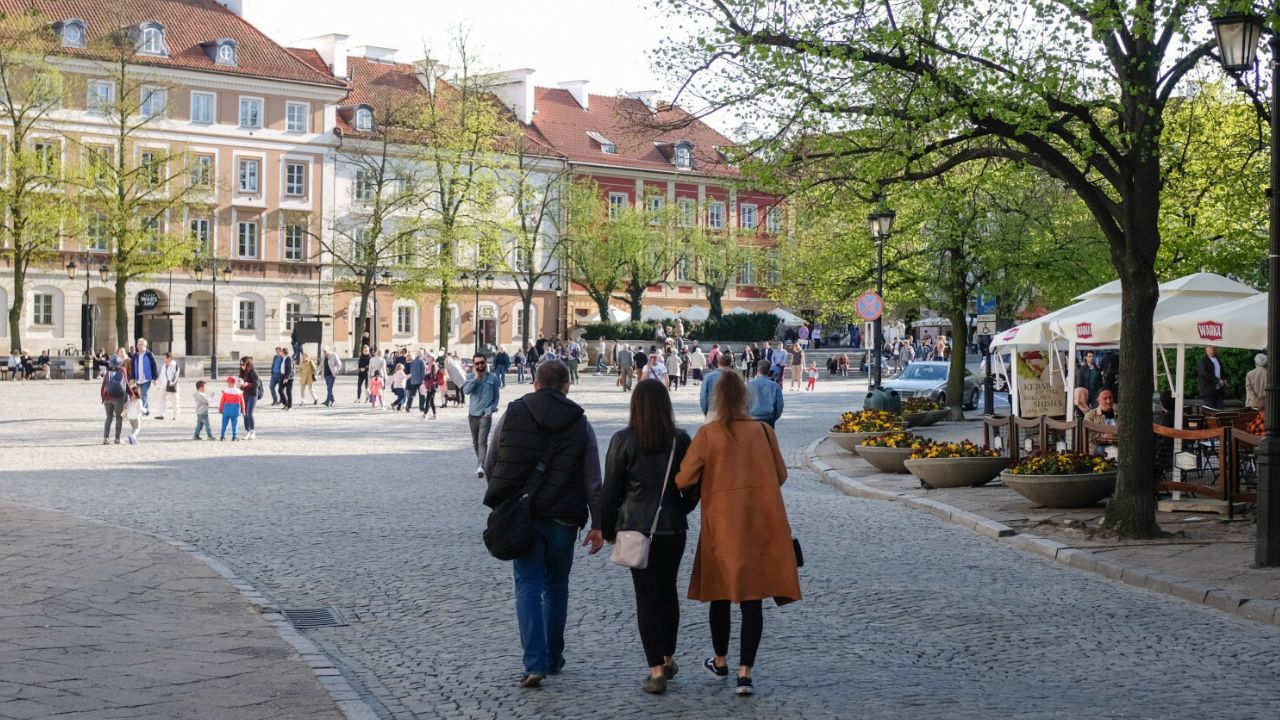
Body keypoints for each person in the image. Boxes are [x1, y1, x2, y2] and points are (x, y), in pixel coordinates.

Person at [674, 369, 800, 697]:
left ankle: (720, 661)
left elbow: (683, 479)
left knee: (718, 594)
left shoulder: (707, 434)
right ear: (746, 397)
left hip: (721, 524)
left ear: (716, 399)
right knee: (752, 598)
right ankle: (746, 674)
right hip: (757, 524)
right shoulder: (763, 432)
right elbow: (781, 475)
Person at [482, 359, 604, 688]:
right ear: (567, 386)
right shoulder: (580, 422)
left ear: (535, 384)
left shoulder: (513, 412)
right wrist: (598, 523)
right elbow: (593, 479)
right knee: (556, 586)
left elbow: (492, 460)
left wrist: (507, 498)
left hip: (524, 515)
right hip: (564, 519)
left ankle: (534, 663)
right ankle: (553, 657)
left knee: (527, 586)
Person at [601, 379, 696, 693]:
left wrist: (609, 528)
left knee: (647, 598)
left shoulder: (623, 440)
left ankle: (656, 670)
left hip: (636, 529)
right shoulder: (680, 440)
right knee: (668, 592)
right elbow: (695, 485)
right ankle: (668, 658)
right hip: (673, 529)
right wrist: (680, 508)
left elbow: (611, 490)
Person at [463, 353, 502, 479]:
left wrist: (492, 408)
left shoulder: (494, 378)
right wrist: (475, 377)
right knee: (475, 442)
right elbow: (466, 391)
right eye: (477, 363)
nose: (480, 365)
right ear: (474, 365)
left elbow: (496, 397)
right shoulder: (470, 376)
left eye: (482, 363)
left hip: (486, 414)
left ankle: (480, 466)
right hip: (473, 413)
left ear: (486, 363)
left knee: (482, 441)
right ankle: (482, 464)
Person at [747, 359, 785, 427]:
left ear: (758, 370)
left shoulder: (749, 385)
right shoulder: (775, 386)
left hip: (752, 418)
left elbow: (744, 404)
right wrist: (774, 418)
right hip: (768, 418)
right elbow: (779, 405)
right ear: (769, 370)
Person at [100, 356, 127, 445]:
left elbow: (103, 386)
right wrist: (132, 395)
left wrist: (103, 398)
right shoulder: (122, 370)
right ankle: (117, 438)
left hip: (107, 398)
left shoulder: (107, 372)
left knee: (109, 418)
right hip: (118, 398)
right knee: (119, 418)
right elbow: (126, 384)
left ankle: (106, 438)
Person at [1084, 388, 1119, 455]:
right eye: (1105, 398)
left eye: (1110, 398)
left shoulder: (1119, 414)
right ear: (1098, 401)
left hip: (1117, 445)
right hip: (1098, 447)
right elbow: (1087, 435)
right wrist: (1103, 436)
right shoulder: (1091, 415)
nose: (1108, 401)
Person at [699, 353, 735, 417]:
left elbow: (703, 397)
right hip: (731, 412)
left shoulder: (708, 377)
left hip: (713, 411)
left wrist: (706, 412)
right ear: (731, 364)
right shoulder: (736, 378)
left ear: (719, 363)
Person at [129, 338, 158, 416]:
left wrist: (155, 378)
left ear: (145, 345)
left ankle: (142, 412)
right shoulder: (135, 355)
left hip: (146, 378)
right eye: (138, 344)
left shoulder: (149, 354)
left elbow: (154, 365)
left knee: (143, 394)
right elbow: (132, 367)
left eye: (141, 344)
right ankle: (146, 411)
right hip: (138, 378)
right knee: (140, 395)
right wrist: (132, 377)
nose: (139, 346)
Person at [238, 357, 261, 440]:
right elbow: (240, 381)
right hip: (244, 394)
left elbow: (256, 384)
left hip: (252, 394)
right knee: (244, 413)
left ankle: (253, 431)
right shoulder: (242, 372)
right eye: (240, 364)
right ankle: (247, 431)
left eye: (243, 364)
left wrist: (247, 384)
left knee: (249, 413)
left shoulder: (253, 372)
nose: (241, 366)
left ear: (248, 364)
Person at [218, 375, 246, 441]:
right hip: (235, 410)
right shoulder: (239, 392)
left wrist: (220, 409)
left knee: (224, 424)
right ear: (235, 383)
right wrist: (243, 410)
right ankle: (234, 436)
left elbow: (222, 401)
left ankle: (222, 436)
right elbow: (242, 402)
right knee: (234, 424)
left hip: (226, 410)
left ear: (229, 383)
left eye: (228, 383)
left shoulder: (226, 392)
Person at [1198, 346, 1226, 410]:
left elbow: (1222, 372)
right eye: (1210, 347)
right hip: (1208, 391)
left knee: (1220, 411)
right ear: (1206, 348)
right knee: (1210, 412)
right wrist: (1217, 380)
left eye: (1213, 347)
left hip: (1219, 390)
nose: (1212, 349)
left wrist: (1223, 379)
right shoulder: (1203, 360)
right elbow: (1204, 374)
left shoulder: (1218, 359)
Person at [158, 352, 180, 420]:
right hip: (164, 385)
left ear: (169, 358)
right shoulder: (164, 366)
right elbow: (161, 375)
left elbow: (176, 374)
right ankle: (161, 414)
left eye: (164, 358)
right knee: (161, 399)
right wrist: (159, 384)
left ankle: (175, 415)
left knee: (174, 400)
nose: (163, 359)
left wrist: (173, 382)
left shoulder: (175, 365)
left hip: (171, 385)